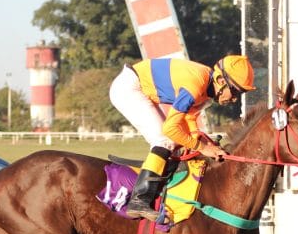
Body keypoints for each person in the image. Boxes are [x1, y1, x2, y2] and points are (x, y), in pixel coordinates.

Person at [109, 55, 256, 222]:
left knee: (177, 144)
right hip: (128, 89)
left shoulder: (208, 91)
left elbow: (190, 119)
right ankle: (139, 200)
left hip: (140, 88)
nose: (235, 98)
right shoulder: (197, 83)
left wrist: (204, 142)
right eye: (235, 91)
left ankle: (161, 191)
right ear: (221, 80)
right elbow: (171, 128)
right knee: (164, 140)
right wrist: (202, 147)